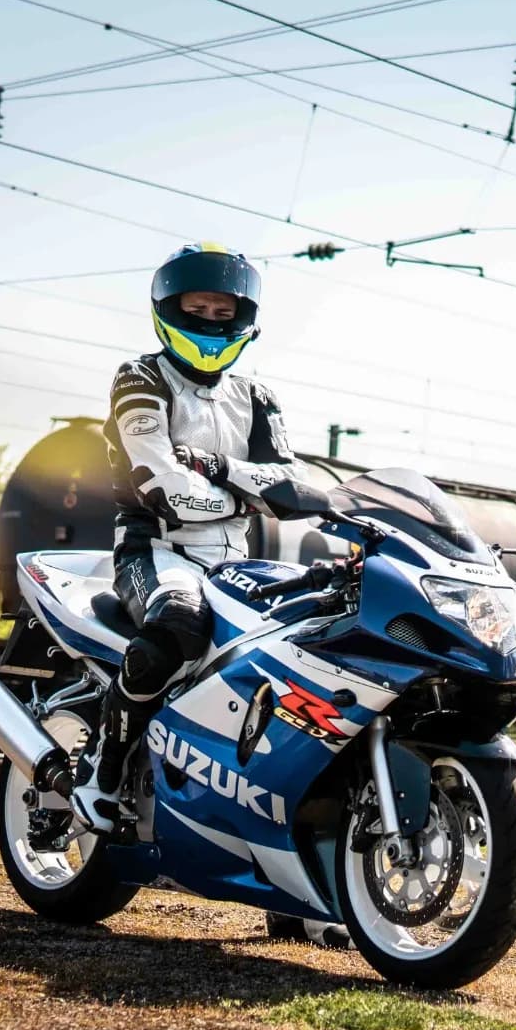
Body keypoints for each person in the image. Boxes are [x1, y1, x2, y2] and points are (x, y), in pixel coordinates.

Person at [96, 243, 303, 791]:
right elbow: (167, 490)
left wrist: (214, 467)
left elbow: (289, 488)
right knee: (178, 628)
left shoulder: (258, 396)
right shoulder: (140, 377)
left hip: (237, 562)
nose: (211, 322)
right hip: (155, 551)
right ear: (169, 308)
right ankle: (105, 774)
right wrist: (246, 491)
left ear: (244, 319)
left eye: (222, 313)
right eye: (197, 310)